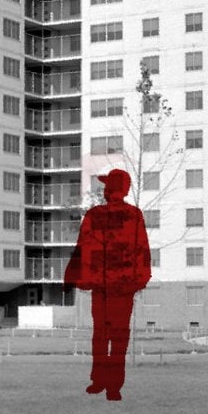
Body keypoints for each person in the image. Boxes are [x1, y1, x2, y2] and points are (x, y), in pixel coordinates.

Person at [63, 168, 151, 401]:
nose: (104, 190)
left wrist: (82, 278)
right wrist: (140, 279)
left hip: (103, 286)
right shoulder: (133, 215)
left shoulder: (96, 215)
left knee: (101, 334)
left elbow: (84, 249)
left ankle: (101, 381)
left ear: (111, 189)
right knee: (118, 335)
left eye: (106, 186)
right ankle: (112, 386)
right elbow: (142, 250)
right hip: (121, 287)